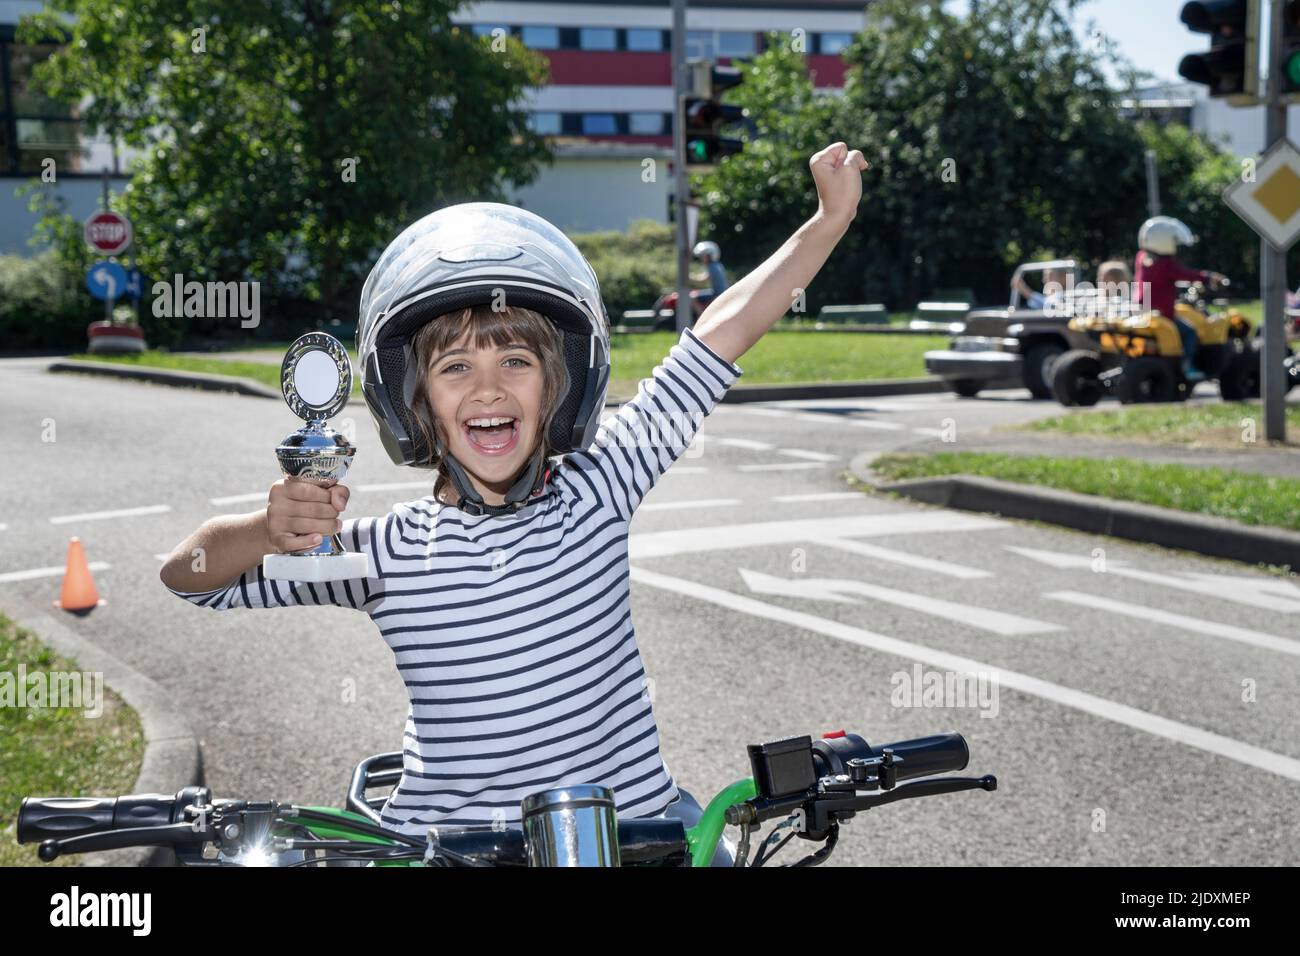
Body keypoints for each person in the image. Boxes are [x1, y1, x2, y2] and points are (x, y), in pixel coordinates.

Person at [159, 141, 869, 868]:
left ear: (559, 389)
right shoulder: (385, 551)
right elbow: (187, 576)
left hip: (640, 835)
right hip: (452, 850)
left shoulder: (601, 486)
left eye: (517, 363)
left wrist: (827, 221)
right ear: (415, 403)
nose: (489, 389)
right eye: (456, 367)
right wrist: (263, 528)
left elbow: (717, 337)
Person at [1132, 216, 1227, 382]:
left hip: (1142, 309)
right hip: (1163, 313)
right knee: (1190, 332)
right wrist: (1209, 277)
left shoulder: (1141, 257)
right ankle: (1187, 366)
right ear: (1165, 241)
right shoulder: (1165, 264)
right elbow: (1185, 274)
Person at [692, 240, 729, 309]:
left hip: (718, 294)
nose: (701, 258)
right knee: (695, 293)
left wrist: (689, 278)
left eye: (703, 256)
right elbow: (704, 276)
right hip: (720, 292)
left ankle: (700, 317)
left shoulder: (712, 267)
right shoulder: (716, 265)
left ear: (709, 256)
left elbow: (703, 280)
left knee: (692, 297)